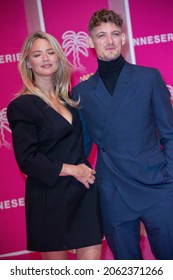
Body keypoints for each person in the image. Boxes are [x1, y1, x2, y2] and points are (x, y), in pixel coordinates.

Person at [72, 8, 173, 260]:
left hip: (156, 184)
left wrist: (169, 175)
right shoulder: (81, 91)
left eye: (115, 34)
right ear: (90, 42)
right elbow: (81, 149)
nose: (109, 41)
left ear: (124, 38)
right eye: (101, 35)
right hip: (112, 190)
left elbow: (169, 132)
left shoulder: (149, 78)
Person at [7, 31, 103, 260]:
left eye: (50, 52)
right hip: (49, 197)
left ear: (59, 57)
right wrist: (73, 169)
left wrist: (91, 87)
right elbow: (27, 160)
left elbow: (86, 138)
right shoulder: (22, 106)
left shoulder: (71, 100)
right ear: (28, 62)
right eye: (37, 54)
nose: (45, 58)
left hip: (83, 192)